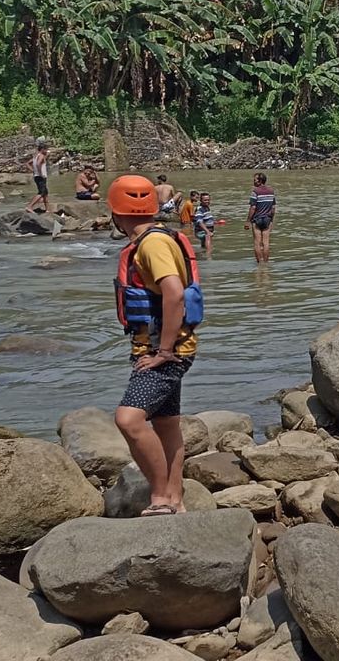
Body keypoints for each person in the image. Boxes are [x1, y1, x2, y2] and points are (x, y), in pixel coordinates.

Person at [107, 175, 204, 517]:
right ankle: (175, 500)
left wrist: (163, 352)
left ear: (116, 214)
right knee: (166, 424)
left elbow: (174, 293)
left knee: (128, 419)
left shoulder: (151, 244)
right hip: (172, 347)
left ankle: (161, 496)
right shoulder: (155, 238)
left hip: (165, 352)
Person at [244, 172, 276, 264]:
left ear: (260, 181)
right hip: (267, 219)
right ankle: (265, 263)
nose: (253, 182)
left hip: (257, 219)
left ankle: (259, 263)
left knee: (257, 242)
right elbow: (273, 208)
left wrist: (247, 221)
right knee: (266, 243)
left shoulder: (255, 192)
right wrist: (271, 220)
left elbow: (253, 207)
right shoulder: (271, 191)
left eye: (255, 180)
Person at [24, 140, 50, 213]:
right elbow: (38, 164)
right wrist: (40, 173)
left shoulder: (35, 156)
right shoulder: (41, 156)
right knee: (41, 193)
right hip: (40, 176)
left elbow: (27, 163)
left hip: (37, 176)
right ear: (42, 149)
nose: (47, 151)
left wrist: (33, 170)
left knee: (45, 193)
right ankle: (29, 206)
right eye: (46, 149)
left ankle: (47, 209)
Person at [193, 192, 216, 260]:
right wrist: (207, 231)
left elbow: (206, 219)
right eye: (205, 200)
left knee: (204, 246)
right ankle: (208, 257)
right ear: (201, 200)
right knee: (208, 240)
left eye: (208, 200)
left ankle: (202, 255)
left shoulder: (207, 208)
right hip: (202, 231)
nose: (207, 201)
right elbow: (199, 222)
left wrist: (214, 222)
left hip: (207, 230)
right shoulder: (200, 209)